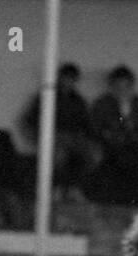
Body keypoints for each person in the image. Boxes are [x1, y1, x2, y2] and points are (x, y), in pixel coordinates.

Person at [22, 62, 93, 203]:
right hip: (53, 138)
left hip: (74, 139)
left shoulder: (78, 101)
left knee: (94, 154)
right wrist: (39, 137)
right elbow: (30, 120)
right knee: (59, 155)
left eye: (71, 79)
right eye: (65, 78)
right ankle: (56, 188)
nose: (68, 82)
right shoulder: (47, 96)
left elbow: (86, 124)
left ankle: (74, 188)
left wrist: (81, 137)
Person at [89, 65, 138, 205]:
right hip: (109, 145)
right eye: (118, 86)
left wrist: (135, 137)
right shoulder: (102, 103)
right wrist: (112, 136)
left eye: (125, 86)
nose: (122, 90)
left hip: (134, 145)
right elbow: (96, 127)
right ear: (112, 86)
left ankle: (134, 199)